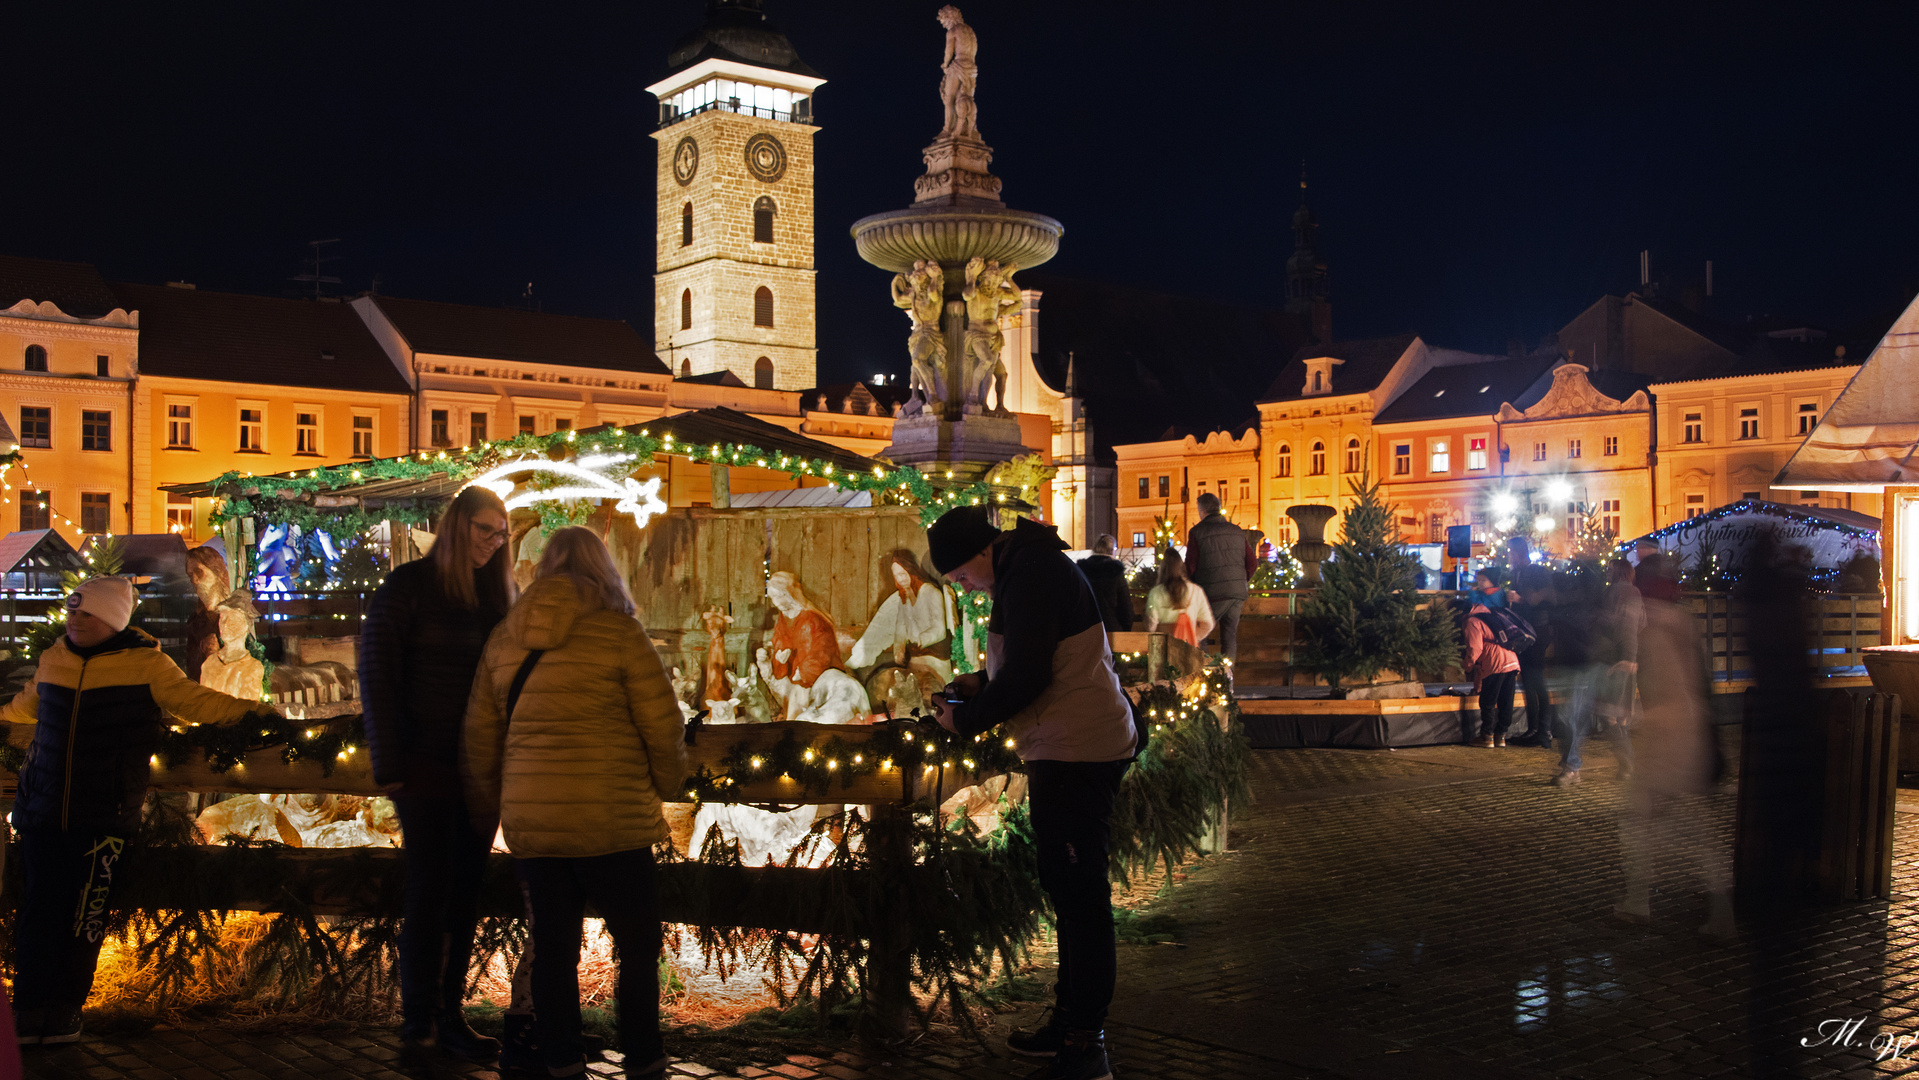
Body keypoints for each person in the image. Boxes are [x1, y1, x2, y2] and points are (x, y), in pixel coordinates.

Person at [4, 577, 274, 1045]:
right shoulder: (55, 659)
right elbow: (26, 707)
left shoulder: (148, 665)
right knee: (37, 913)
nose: (73, 619)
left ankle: (65, 1009)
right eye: (71, 611)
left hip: (103, 815)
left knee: (84, 919)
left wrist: (253, 714)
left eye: (84, 613)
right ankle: (28, 1010)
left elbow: (196, 702)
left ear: (111, 619)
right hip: (43, 810)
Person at [463, 527, 687, 1080]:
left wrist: (501, 806)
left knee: (554, 949)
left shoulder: (504, 639)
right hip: (614, 822)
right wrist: (668, 787)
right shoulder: (619, 634)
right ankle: (643, 1057)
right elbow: (662, 726)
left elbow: (479, 738)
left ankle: (561, 1060)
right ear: (602, 570)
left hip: (536, 828)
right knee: (636, 947)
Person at [927, 507, 1136, 1080]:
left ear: (978, 551)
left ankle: (1084, 1043)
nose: (965, 587)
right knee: (1070, 892)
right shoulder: (1025, 568)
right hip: (1066, 746)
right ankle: (1070, 1025)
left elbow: (1030, 675)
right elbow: (1027, 660)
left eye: (960, 576)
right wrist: (982, 684)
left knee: (1079, 898)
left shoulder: (1032, 572)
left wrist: (965, 721)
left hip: (1078, 749)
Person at [359, 486, 515, 1062]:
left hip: (478, 766)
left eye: (501, 534)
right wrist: (390, 761)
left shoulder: (497, 595)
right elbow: (377, 670)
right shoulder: (409, 587)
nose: (493, 543)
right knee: (429, 890)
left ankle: (450, 1017)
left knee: (466, 892)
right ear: (456, 526)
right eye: (484, 530)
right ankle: (417, 1022)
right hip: (423, 763)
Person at [1613, 552, 1732, 938]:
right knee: (1698, 828)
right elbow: (1700, 678)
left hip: (1662, 729)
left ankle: (1638, 901)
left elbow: (1634, 666)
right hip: (1692, 725)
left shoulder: (1644, 618)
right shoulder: (1683, 619)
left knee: (1636, 820)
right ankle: (1721, 913)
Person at [1557, 558, 1642, 786]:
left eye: (1610, 569)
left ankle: (1574, 767)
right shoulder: (1625, 592)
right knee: (1607, 716)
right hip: (1609, 661)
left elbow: (1629, 624)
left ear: (1621, 572)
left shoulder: (1620, 592)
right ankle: (1625, 764)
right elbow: (1640, 623)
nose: (1607, 572)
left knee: (1589, 713)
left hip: (1607, 662)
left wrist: (1627, 657)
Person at [848, 550, 955, 687]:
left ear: (911, 571)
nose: (901, 579)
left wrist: (921, 639)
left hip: (934, 661)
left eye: (903, 574)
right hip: (914, 662)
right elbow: (901, 627)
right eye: (897, 576)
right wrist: (899, 647)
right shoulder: (903, 599)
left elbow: (939, 630)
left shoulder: (931, 593)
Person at [1184, 493, 1253, 661]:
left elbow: (1190, 566)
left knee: (1201, 634)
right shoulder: (1237, 531)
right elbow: (1252, 563)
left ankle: (1206, 679)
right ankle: (1227, 679)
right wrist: (1240, 581)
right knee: (1229, 639)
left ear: (1201, 510)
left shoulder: (1197, 532)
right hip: (1237, 594)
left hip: (1211, 592)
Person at [1462, 594, 1521, 747]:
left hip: (1495, 662)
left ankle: (1487, 736)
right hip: (1512, 660)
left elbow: (1475, 649)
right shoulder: (1492, 616)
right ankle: (1501, 736)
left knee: (1488, 700)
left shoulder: (1472, 621)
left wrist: (1467, 666)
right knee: (1506, 700)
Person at [1508, 567, 1556, 749]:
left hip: (1536, 633)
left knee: (1535, 681)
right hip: (1528, 633)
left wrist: (1520, 600)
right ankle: (1535, 729)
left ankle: (1542, 730)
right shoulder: (1520, 573)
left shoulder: (1537, 575)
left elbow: (1542, 603)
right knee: (1530, 681)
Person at [1144, 547, 1213, 649]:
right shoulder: (1196, 590)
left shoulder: (1156, 592)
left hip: (1163, 645)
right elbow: (1208, 624)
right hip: (1188, 647)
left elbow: (1151, 624)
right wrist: (1192, 636)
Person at [1076, 534, 1134, 637]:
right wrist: (1125, 630)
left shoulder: (1081, 570)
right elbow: (1126, 606)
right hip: (1111, 630)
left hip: (1084, 629)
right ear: (1112, 550)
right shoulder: (1116, 572)